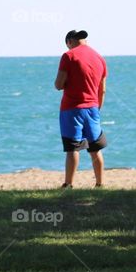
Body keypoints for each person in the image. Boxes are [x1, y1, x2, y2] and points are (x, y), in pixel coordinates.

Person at [54, 29, 107, 188]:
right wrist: (97, 108)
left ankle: (68, 184)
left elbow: (58, 85)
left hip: (72, 109)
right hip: (93, 108)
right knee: (95, 148)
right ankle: (99, 183)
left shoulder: (68, 56)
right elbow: (102, 90)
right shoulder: (100, 58)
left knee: (73, 148)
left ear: (69, 41)